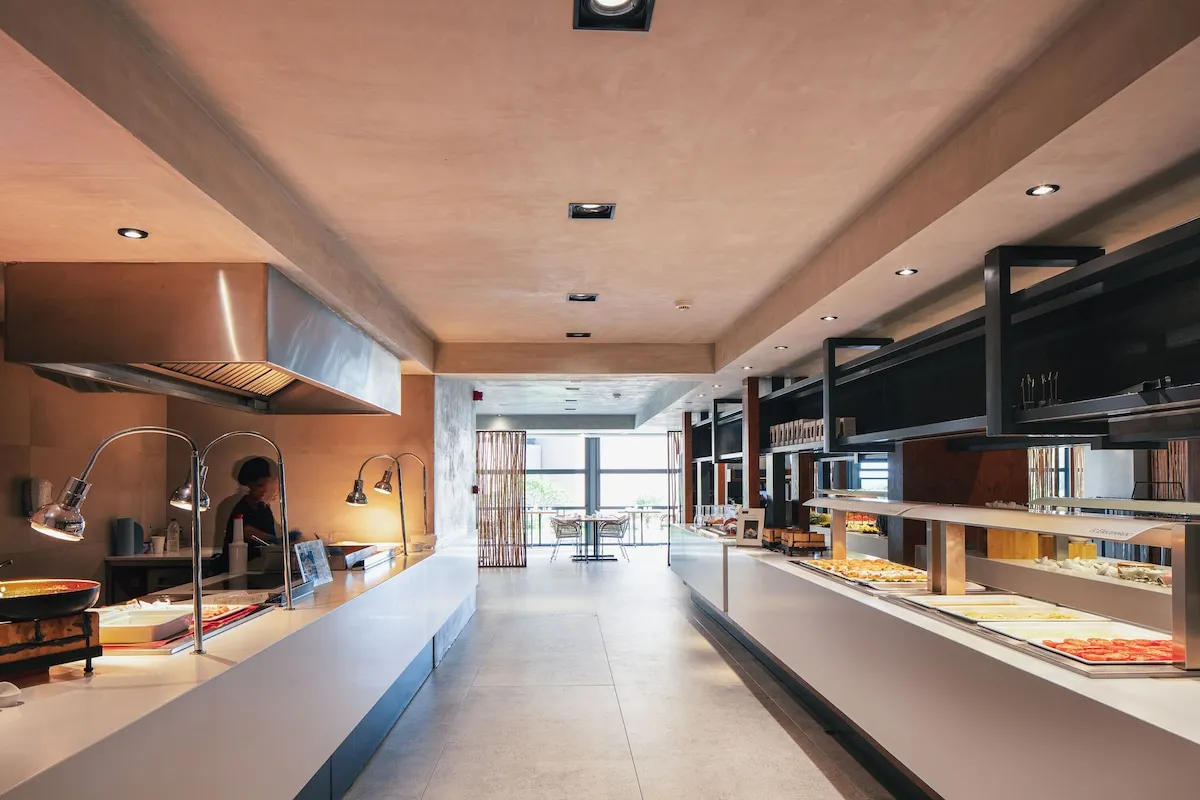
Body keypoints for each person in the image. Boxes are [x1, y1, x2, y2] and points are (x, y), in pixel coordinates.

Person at [219, 457, 280, 572]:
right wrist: (270, 538)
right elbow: (246, 531)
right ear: (250, 486)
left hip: (258, 568)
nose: (264, 490)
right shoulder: (241, 508)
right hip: (237, 567)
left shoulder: (264, 509)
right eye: (260, 486)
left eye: (266, 484)